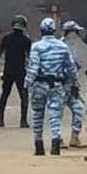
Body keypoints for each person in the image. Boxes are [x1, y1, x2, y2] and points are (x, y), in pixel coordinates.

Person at [25, 17, 77, 156]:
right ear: (54, 31)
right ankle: (55, 144)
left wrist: (27, 84)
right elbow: (71, 68)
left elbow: (33, 68)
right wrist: (74, 83)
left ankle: (39, 146)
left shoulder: (36, 47)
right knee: (55, 116)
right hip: (56, 85)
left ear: (41, 31)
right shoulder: (63, 46)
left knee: (37, 116)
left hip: (39, 85)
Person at [0, 15, 31, 128]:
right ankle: (23, 121)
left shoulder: (6, 38)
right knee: (24, 96)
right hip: (20, 71)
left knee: (5, 94)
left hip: (8, 71)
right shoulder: (26, 40)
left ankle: (0, 119)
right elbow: (31, 57)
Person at [60, 20, 87, 149]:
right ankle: (58, 139)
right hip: (59, 85)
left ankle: (75, 137)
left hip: (71, 86)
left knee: (79, 109)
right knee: (57, 114)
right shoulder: (60, 46)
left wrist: (75, 85)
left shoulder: (75, 47)